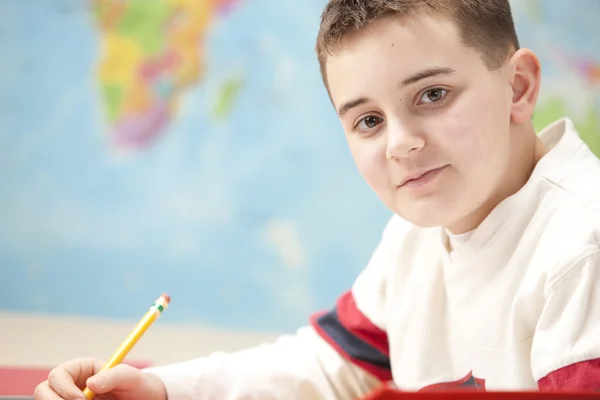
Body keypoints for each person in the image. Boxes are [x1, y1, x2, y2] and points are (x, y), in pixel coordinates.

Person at [34, 0, 600, 399]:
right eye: (368, 120)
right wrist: (162, 390)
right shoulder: (419, 232)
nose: (402, 143)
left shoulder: (582, 244)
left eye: (433, 94)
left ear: (519, 87)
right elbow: (332, 365)